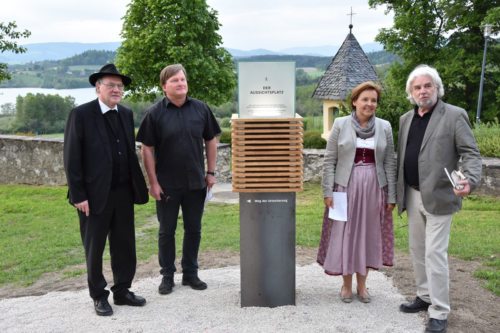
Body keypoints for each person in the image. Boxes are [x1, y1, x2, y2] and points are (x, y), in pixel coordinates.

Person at [396, 65, 482, 333]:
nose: (423, 91)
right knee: (417, 250)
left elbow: (470, 152)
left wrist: (470, 179)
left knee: (435, 254)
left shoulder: (455, 115)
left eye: (427, 86)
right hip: (411, 193)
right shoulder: (405, 119)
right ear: (411, 92)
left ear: (437, 88)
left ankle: (440, 311)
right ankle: (424, 296)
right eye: (417, 87)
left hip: (441, 195)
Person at [63, 64, 149, 316]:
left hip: (123, 193)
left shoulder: (125, 113)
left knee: (125, 246)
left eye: (119, 86)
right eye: (111, 85)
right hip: (93, 196)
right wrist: (78, 194)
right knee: (94, 248)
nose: (116, 89)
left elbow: (129, 153)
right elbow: (71, 159)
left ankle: (122, 291)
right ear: (97, 87)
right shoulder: (80, 115)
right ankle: (99, 295)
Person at [136, 63, 220, 295]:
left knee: (194, 229)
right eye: (175, 81)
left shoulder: (201, 109)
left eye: (183, 80)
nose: (180, 84)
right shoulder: (154, 114)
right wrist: (153, 183)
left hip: (196, 183)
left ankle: (190, 274)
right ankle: (167, 276)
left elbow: (211, 140)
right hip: (166, 184)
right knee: (167, 231)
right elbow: (147, 149)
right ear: (164, 86)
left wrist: (211, 173)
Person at [317, 81, 396, 304]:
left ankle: (362, 286)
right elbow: (330, 160)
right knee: (345, 235)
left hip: (374, 188)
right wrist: (327, 191)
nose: (369, 104)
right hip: (345, 187)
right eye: (365, 99)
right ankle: (346, 285)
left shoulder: (385, 127)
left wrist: (391, 195)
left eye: (373, 100)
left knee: (368, 235)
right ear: (354, 101)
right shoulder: (340, 124)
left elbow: (390, 162)